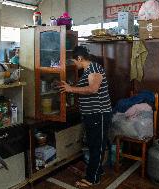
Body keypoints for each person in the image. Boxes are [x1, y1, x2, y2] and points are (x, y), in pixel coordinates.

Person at [59, 46, 112, 188]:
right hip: (92, 115)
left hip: (98, 114)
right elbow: (87, 88)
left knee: (96, 146)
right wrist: (71, 87)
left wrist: (71, 89)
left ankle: (92, 179)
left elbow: (93, 89)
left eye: (74, 61)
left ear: (80, 58)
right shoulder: (89, 70)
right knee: (95, 144)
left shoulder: (94, 68)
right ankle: (96, 171)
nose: (74, 64)